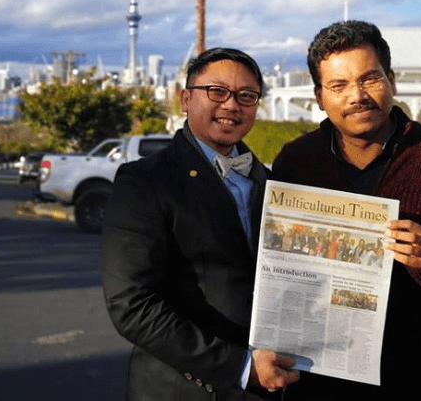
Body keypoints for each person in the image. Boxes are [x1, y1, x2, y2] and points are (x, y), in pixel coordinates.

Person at [271, 20, 421, 400]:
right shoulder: (296, 161)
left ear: (390, 79)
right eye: (338, 86)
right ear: (320, 96)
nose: (357, 96)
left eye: (369, 79)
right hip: (319, 382)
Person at [102, 47, 300, 400]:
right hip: (182, 389)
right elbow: (131, 304)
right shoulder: (144, 181)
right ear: (185, 99)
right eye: (217, 91)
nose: (231, 105)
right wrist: (239, 368)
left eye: (246, 95)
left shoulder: (273, 185)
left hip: (267, 386)